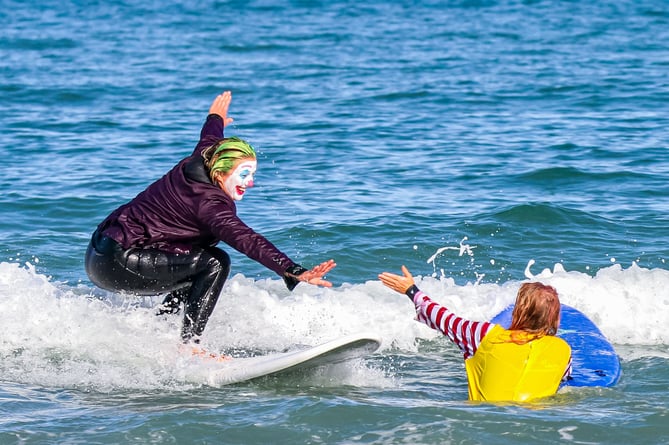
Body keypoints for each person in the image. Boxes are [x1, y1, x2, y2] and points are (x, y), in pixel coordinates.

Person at [85, 91, 336, 347]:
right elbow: (245, 239)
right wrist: (293, 270)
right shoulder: (210, 204)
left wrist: (215, 117)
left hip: (101, 251)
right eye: (244, 174)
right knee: (214, 263)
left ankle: (158, 332)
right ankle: (190, 346)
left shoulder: (205, 156)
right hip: (118, 264)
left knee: (193, 258)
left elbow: (211, 137)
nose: (250, 183)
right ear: (221, 170)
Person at [378, 266, 572, 402]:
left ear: (518, 311)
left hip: (487, 420)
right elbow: (564, 378)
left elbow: (441, 318)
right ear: (554, 317)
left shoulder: (484, 335)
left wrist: (411, 290)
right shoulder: (563, 351)